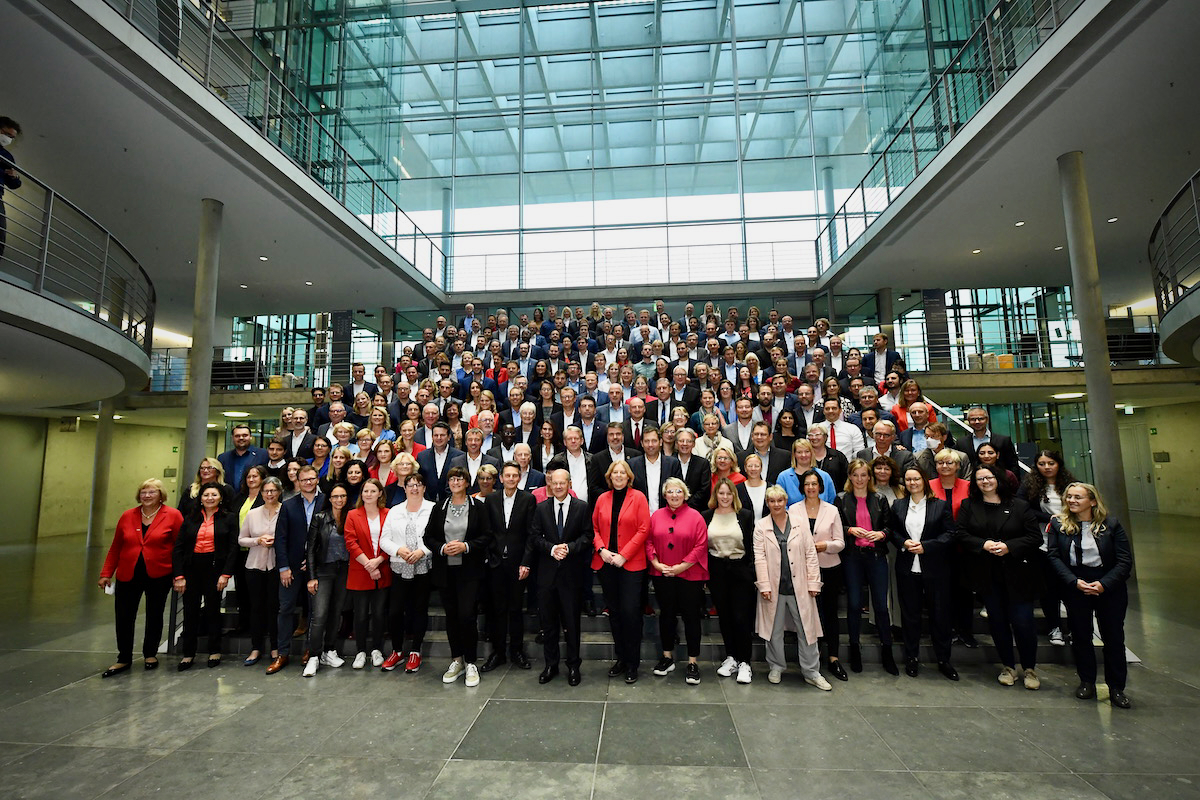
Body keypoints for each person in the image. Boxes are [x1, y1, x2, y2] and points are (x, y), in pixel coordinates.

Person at [1046, 483, 1134, 709]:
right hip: (1075, 585)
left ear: (1093, 501)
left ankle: (1116, 687)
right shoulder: (1058, 524)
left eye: (1078, 497)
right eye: (1069, 497)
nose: (1072, 500)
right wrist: (1073, 581)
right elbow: (1054, 557)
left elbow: (1124, 561)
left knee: (1113, 638)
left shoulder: (1111, 524)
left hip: (1108, 586)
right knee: (1081, 636)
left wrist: (1104, 584)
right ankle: (1087, 681)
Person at [957, 465, 1043, 689]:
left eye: (989, 477)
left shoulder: (1020, 506)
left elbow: (1035, 538)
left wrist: (1009, 547)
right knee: (997, 622)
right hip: (987, 574)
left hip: (1018, 573)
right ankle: (1008, 666)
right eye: (980, 479)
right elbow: (961, 534)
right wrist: (982, 544)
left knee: (1023, 622)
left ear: (998, 479)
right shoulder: (969, 505)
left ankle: (1030, 668)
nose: (985, 482)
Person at [98, 479, 184, 677]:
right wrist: (106, 573)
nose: (146, 496)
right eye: (143, 492)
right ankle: (124, 657)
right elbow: (116, 547)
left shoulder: (173, 515)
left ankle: (150, 654)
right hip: (128, 574)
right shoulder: (128, 516)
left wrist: (179, 574)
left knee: (155, 614)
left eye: (152, 492)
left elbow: (180, 548)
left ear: (161, 495)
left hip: (159, 573)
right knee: (124, 616)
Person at [753, 484, 831, 690]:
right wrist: (764, 585)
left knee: (807, 629)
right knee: (774, 630)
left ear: (785, 501)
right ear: (767, 503)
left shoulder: (800, 523)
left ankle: (811, 671)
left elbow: (810, 554)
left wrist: (814, 582)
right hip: (774, 588)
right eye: (772, 501)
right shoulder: (761, 526)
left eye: (780, 500)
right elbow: (759, 558)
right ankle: (776, 666)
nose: (776, 504)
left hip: (800, 587)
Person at [523, 469, 594, 686]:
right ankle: (550, 664)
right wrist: (552, 548)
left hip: (571, 575)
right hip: (546, 575)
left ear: (569, 484)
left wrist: (569, 548)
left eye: (563, 483)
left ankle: (573, 665)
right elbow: (534, 536)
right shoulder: (541, 508)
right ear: (550, 484)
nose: (559, 486)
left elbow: (588, 536)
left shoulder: (581, 507)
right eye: (555, 483)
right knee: (549, 623)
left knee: (572, 623)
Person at [888, 467, 959, 681]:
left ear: (924, 481)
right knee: (910, 616)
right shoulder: (898, 505)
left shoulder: (940, 505)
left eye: (916, 479)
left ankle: (943, 660)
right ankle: (912, 658)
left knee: (940, 616)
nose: (912, 483)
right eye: (908, 479)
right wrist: (903, 542)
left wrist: (927, 546)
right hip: (907, 568)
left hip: (935, 568)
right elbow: (892, 531)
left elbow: (950, 534)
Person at [424, 467, 489, 687]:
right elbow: (428, 537)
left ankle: (471, 662)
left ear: (467, 482)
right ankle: (456, 660)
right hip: (446, 571)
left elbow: (487, 536)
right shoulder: (439, 507)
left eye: (459, 478)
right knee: (451, 616)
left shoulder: (478, 507)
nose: (455, 482)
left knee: (467, 615)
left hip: (470, 571)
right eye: (452, 478)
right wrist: (442, 548)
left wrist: (466, 546)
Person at [591, 460, 651, 683]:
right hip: (606, 563)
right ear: (609, 476)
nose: (618, 476)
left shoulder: (638, 498)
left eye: (622, 473)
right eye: (614, 472)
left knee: (630, 613)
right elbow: (594, 528)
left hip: (631, 564)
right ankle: (621, 659)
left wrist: (624, 555)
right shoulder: (601, 499)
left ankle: (633, 663)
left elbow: (644, 528)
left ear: (628, 477)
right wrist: (601, 549)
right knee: (614, 613)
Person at [836, 460, 898, 675]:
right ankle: (854, 648)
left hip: (876, 555)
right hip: (853, 557)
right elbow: (836, 526)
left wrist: (881, 534)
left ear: (869, 477)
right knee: (854, 604)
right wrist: (849, 530)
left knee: (881, 605)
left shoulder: (879, 499)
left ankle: (887, 651)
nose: (860, 479)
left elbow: (891, 528)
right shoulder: (841, 499)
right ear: (850, 477)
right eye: (856, 475)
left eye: (864, 475)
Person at [646, 478, 709, 685]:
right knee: (666, 616)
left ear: (685, 494)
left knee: (691, 617)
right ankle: (667, 657)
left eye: (678, 491)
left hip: (689, 575)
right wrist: (655, 563)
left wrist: (683, 566)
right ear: (665, 495)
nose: (674, 495)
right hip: (663, 574)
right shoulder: (656, 516)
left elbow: (701, 545)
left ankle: (692, 662)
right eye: (670, 492)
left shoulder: (696, 517)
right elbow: (648, 541)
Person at [174, 481, 239, 670]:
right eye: (206, 495)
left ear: (221, 498)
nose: (210, 498)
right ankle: (188, 654)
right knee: (190, 610)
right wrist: (179, 575)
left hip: (215, 569)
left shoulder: (229, 518)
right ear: (200, 498)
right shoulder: (190, 518)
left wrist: (225, 574)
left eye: (214, 495)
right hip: (191, 568)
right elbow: (178, 547)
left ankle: (214, 651)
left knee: (212, 611)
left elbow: (233, 548)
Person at [481, 462, 537, 671]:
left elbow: (531, 534)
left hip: (518, 564)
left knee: (515, 609)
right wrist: (489, 557)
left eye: (515, 475)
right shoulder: (492, 499)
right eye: (508, 475)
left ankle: (517, 651)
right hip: (495, 563)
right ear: (501, 478)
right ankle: (498, 653)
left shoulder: (528, 499)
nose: (511, 479)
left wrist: (526, 562)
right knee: (497, 610)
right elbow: (486, 532)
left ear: (519, 478)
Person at [1018, 450, 1077, 647]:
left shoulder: (1071, 485)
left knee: (1070, 588)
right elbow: (1023, 508)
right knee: (1048, 589)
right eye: (1042, 464)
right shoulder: (1030, 485)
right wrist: (1049, 518)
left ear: (1058, 464)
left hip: (1071, 542)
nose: (1047, 467)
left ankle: (1076, 629)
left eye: (1050, 463)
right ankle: (1055, 627)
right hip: (1043, 542)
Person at [793, 470, 848, 681]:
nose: (811, 487)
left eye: (814, 484)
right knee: (807, 615)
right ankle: (810, 661)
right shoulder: (794, 510)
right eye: (807, 484)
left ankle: (833, 658)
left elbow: (840, 543)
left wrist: (825, 545)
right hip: (804, 570)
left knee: (830, 614)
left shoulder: (832, 510)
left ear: (820, 486)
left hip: (829, 568)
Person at [379, 472, 435, 674]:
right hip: (399, 566)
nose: (415, 488)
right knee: (395, 611)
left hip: (422, 566)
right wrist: (398, 550)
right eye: (411, 484)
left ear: (424, 488)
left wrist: (423, 551)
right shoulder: (394, 511)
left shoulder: (432, 509)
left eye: (419, 484)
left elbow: (437, 537)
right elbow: (384, 540)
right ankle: (396, 650)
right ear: (405, 487)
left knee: (419, 609)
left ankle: (415, 651)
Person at [704, 477, 757, 683]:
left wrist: (751, 572)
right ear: (715, 495)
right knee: (724, 616)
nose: (724, 497)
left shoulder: (744, 515)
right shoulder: (707, 515)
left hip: (739, 570)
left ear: (733, 495)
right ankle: (731, 657)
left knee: (741, 617)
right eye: (721, 493)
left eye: (728, 493)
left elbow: (751, 545)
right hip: (717, 570)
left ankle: (745, 662)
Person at [301, 482, 352, 676]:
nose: (339, 500)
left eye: (343, 496)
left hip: (344, 571)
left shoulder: (351, 517)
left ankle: (329, 650)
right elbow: (311, 551)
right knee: (319, 614)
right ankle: (314, 655)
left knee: (336, 613)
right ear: (329, 499)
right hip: (323, 571)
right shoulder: (320, 518)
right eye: (335, 496)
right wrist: (311, 577)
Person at [345, 478, 391, 670]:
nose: (369, 494)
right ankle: (361, 651)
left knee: (380, 613)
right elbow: (350, 542)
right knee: (361, 615)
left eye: (373, 491)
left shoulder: (388, 514)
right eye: (366, 491)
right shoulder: (353, 515)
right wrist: (369, 566)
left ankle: (377, 650)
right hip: (360, 571)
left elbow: (392, 540)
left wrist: (378, 562)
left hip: (383, 569)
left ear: (380, 493)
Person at [238, 476, 284, 668]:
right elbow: (241, 539)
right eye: (266, 491)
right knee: (256, 607)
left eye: (273, 490)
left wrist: (275, 541)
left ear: (279, 492)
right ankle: (256, 647)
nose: (269, 494)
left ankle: (275, 647)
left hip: (276, 565)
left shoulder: (285, 511)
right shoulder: (253, 513)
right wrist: (257, 541)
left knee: (274, 607)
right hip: (254, 566)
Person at [777, 439, 834, 505]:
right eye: (799, 452)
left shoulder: (824, 476)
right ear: (794, 454)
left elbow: (832, 501)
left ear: (811, 453)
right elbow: (779, 503)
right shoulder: (783, 477)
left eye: (807, 451)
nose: (803, 455)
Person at [0, 116, 21, 259]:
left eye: (11, 137)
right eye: (6, 135)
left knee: (0, 237)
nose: (8, 139)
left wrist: (13, 176)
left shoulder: (6, 155)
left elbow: (14, 185)